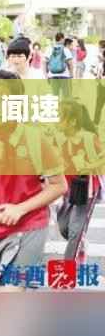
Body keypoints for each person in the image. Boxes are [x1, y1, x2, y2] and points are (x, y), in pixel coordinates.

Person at [0, 70, 68, 291]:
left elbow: (59, 185)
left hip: (30, 225)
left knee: (9, 292)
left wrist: (20, 209)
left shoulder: (36, 139)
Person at [53, 100, 104, 261]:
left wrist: (88, 166)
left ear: (73, 121)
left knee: (75, 230)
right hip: (67, 189)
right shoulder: (58, 139)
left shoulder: (89, 139)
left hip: (86, 190)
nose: (55, 121)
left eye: (59, 117)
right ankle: (80, 244)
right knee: (64, 227)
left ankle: (68, 266)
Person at [45, 32, 73, 98]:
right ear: (62, 39)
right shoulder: (65, 49)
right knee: (66, 96)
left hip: (53, 75)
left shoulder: (50, 49)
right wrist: (71, 75)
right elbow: (70, 63)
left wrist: (46, 74)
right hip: (64, 75)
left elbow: (45, 62)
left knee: (55, 96)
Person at [94, 39, 105, 125]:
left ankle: (96, 122)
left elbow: (98, 76)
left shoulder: (101, 62)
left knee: (99, 105)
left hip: (102, 86)